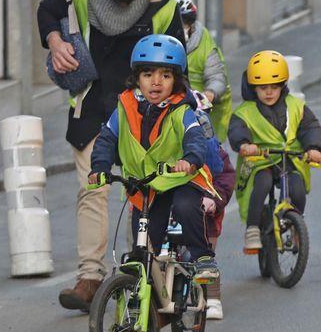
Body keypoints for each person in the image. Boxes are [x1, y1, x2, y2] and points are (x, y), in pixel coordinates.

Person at [37, 0, 185, 312]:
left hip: (145, 113)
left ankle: (148, 276)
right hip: (94, 103)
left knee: (148, 192)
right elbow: (47, 11)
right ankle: (90, 276)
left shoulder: (164, 7)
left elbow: (177, 66)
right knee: (93, 189)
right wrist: (56, 43)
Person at [86, 34, 221, 285]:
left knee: (185, 208)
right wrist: (100, 167)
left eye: (166, 76)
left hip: (181, 178)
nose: (156, 82)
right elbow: (106, 138)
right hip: (148, 183)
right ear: (137, 78)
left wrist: (190, 159)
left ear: (176, 81)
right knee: (145, 239)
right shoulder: (124, 108)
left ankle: (203, 257)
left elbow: (194, 137)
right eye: (148, 74)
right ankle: (144, 293)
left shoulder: (182, 110)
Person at [229, 50, 321, 253]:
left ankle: (295, 223)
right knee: (261, 184)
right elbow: (237, 129)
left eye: (274, 87)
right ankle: (253, 228)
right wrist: (245, 144)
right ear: (253, 88)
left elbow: (310, 127)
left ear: (283, 86)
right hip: (259, 162)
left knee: (297, 188)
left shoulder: (296, 106)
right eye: (263, 88)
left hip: (289, 159)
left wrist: (313, 148)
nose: (269, 93)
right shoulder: (244, 111)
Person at [175, 0, 231, 142]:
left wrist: (209, 94)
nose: (182, 28)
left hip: (202, 110)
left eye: (185, 24)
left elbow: (217, 76)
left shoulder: (204, 42)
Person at [203, 147, 234, 320]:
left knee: (205, 254)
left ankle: (213, 297)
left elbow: (226, 177)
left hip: (206, 214)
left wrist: (214, 200)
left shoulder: (211, 146)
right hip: (172, 208)